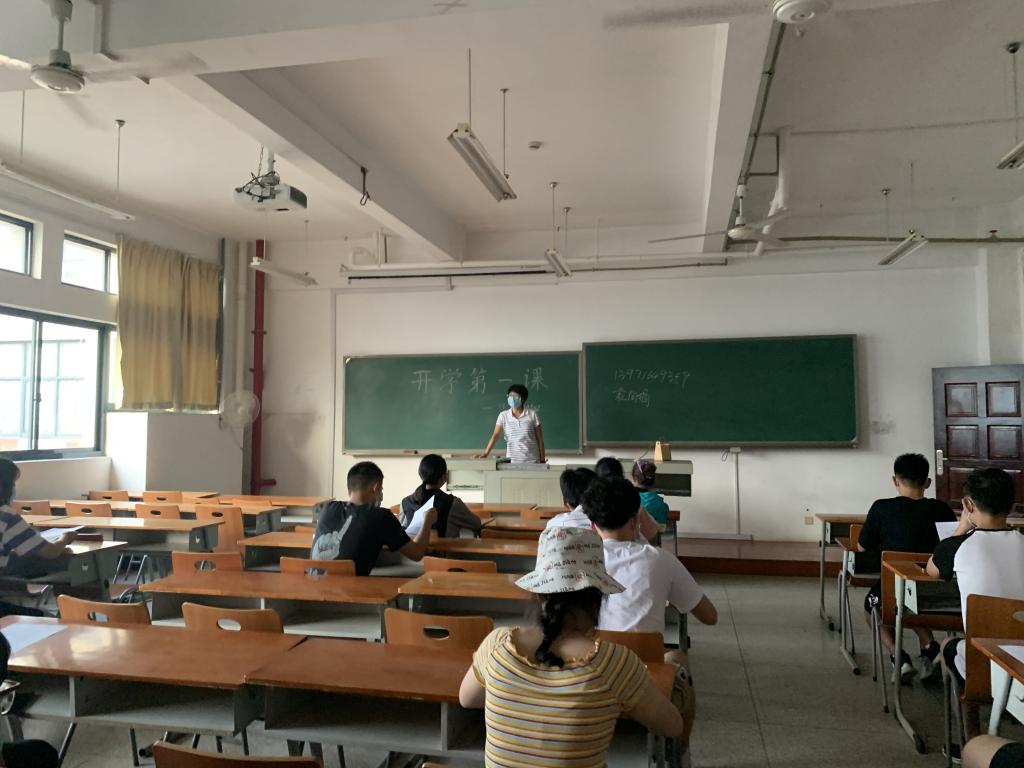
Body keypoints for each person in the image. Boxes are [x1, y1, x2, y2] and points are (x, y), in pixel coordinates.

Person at [459, 526, 683, 767]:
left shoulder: (497, 645)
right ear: (599, 597)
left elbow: (467, 699)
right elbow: (673, 726)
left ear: (539, 594)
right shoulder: (613, 664)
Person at [927, 467, 1024, 742]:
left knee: (949, 645)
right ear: (1011, 505)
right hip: (1021, 660)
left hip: (984, 666)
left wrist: (960, 528)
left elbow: (931, 571)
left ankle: (970, 740)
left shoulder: (956, 546)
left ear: (968, 505)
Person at [584, 478, 717, 664]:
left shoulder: (581, 561)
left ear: (592, 526)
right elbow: (710, 616)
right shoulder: (660, 559)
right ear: (635, 521)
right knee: (677, 658)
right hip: (646, 667)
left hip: (591, 664)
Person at [857, 452, 956, 682]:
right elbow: (951, 547)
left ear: (895, 480)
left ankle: (898, 657)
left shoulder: (881, 508)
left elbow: (862, 546)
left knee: (873, 606)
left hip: (894, 590)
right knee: (912, 600)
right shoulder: (942, 510)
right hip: (937, 591)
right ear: (927, 482)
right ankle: (931, 649)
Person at [311, 461, 436, 575]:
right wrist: (427, 521)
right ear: (375, 488)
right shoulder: (381, 517)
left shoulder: (328, 508)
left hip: (312, 586)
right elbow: (417, 553)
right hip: (350, 590)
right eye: (381, 489)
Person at [0, 459, 74, 582]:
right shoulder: (7, 517)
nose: (14, 487)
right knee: (68, 562)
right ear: (5, 486)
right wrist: (65, 538)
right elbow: (51, 552)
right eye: (13, 483)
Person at [399, 454, 482, 538]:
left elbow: (402, 532)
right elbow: (476, 524)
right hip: (444, 547)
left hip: (414, 547)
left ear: (420, 474)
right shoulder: (452, 503)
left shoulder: (405, 503)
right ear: (444, 477)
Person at [475, 384, 545, 464]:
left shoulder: (532, 414)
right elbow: (495, 435)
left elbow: (540, 439)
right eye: (510, 396)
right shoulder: (503, 415)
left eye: (515, 396)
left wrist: (542, 460)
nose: (512, 398)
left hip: (532, 461)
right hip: (512, 461)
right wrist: (485, 453)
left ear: (523, 398)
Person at [632, 459, 670, 525]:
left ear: (634, 478)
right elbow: (662, 526)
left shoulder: (625, 500)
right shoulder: (661, 504)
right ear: (653, 480)